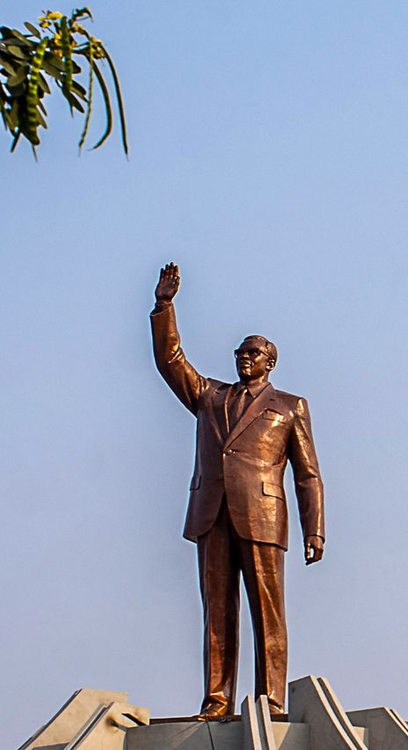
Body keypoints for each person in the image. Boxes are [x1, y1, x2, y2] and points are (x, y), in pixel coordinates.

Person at [151, 263, 325, 718]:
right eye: (240, 351)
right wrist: (165, 307)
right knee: (217, 612)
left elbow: (307, 474)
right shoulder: (211, 396)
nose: (243, 357)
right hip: (213, 512)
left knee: (268, 611)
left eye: (253, 352)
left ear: (270, 361)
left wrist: (315, 530)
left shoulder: (289, 407)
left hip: (263, 515)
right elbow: (171, 362)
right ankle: (217, 699)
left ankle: (271, 699)